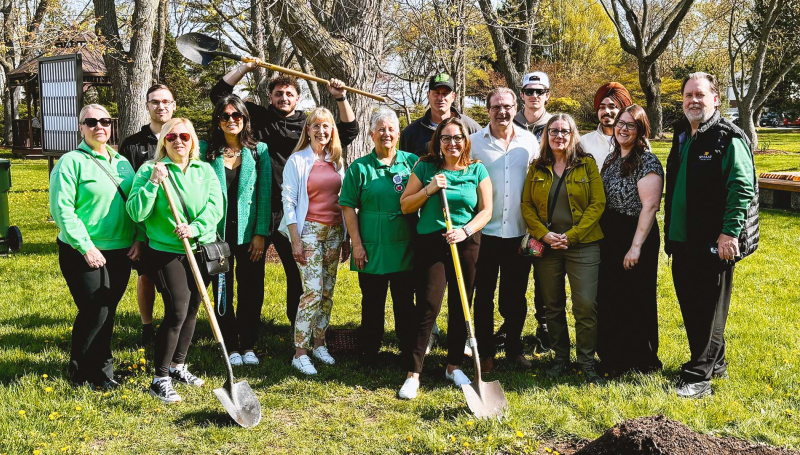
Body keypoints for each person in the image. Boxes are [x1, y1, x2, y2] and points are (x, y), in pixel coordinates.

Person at [212, 69, 359, 328]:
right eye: (278, 93)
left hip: (293, 212)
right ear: (269, 96)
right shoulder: (257, 117)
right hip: (258, 208)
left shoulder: (307, 124)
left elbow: (348, 131)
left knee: (297, 273)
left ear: (298, 98)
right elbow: (220, 95)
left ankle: (297, 325)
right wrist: (245, 68)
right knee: (252, 274)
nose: (283, 97)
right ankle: (247, 328)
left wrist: (340, 97)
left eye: (289, 94)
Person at [664, 72, 758, 398]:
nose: (693, 101)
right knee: (692, 306)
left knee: (708, 308)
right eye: (688, 95)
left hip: (713, 243)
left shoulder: (727, 137)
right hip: (682, 241)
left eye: (700, 95)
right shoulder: (682, 134)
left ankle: (698, 377)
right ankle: (714, 363)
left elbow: (741, 187)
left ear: (715, 99)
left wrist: (729, 233)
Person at [127, 118, 223, 403]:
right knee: (177, 311)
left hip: (199, 247)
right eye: (171, 137)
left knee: (194, 307)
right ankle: (160, 378)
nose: (178, 141)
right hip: (166, 251)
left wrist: (195, 228)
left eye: (184, 136)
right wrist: (154, 183)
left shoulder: (204, 170)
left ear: (192, 140)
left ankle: (178, 366)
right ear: (163, 142)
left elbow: (216, 207)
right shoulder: (150, 170)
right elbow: (136, 212)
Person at [396, 117, 492, 400]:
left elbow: (486, 211)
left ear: (466, 140)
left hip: (466, 240)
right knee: (428, 303)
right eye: (446, 138)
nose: (452, 143)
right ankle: (413, 373)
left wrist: (465, 231)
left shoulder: (477, 170)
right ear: (438, 142)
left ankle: (453, 365)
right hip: (432, 242)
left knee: (462, 303)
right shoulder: (425, 167)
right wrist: (429, 190)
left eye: (457, 137)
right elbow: (405, 206)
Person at [51, 104, 143, 390]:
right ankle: (81, 374)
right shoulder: (70, 162)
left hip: (121, 251)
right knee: (95, 311)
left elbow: (135, 203)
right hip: (83, 250)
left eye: (104, 121)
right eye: (91, 122)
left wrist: (138, 237)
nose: (98, 126)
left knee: (108, 310)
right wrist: (85, 246)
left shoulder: (122, 163)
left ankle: (103, 373)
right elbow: (62, 209)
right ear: (81, 127)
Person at [521, 113, 605, 384]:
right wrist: (545, 235)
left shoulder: (586, 165)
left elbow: (597, 204)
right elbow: (527, 206)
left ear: (573, 135)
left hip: (583, 245)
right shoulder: (537, 167)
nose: (559, 136)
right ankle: (560, 359)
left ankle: (586, 361)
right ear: (546, 136)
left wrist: (572, 235)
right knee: (552, 305)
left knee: (585, 305)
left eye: (564, 131)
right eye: (553, 131)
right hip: (548, 248)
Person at [340, 108, 418, 367]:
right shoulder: (359, 167)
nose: (386, 133)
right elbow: (348, 206)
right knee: (372, 303)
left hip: (405, 246)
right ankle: (369, 354)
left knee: (405, 305)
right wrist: (356, 244)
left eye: (391, 129)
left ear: (398, 133)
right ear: (371, 134)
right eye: (381, 129)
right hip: (371, 247)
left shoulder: (412, 163)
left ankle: (408, 354)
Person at [470, 87, 539, 373]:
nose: (502, 111)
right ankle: (485, 353)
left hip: (519, 234)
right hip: (483, 233)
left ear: (516, 107)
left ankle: (514, 348)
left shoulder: (529, 142)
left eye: (508, 106)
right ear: (487, 110)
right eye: (496, 106)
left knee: (515, 297)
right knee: (483, 296)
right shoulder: (473, 143)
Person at [200, 95, 271, 367]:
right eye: (225, 116)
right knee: (222, 292)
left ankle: (249, 345)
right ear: (218, 121)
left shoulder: (258, 151)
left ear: (245, 119)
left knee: (252, 291)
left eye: (237, 115)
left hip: (249, 236)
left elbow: (264, 195)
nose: (231, 120)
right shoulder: (207, 150)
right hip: (217, 236)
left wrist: (261, 233)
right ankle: (229, 346)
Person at [280, 107, 351, 375]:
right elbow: (289, 202)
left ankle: (320, 343)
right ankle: (300, 352)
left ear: (332, 130)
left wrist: (345, 236)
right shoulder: (297, 161)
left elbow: (343, 200)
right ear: (307, 130)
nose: (322, 131)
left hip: (334, 232)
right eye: (316, 126)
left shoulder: (337, 160)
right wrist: (295, 240)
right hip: (308, 230)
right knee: (312, 291)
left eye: (326, 126)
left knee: (327, 291)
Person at [596, 104, 664, 376]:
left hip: (637, 234)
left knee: (635, 298)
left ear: (640, 130)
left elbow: (650, 207)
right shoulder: (612, 158)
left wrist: (635, 248)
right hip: (611, 233)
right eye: (620, 123)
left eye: (630, 125)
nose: (623, 129)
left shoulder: (647, 161)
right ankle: (613, 357)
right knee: (611, 297)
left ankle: (641, 360)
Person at [119, 84, 177, 345]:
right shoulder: (132, 145)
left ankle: (174, 325)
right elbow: (127, 194)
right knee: (145, 277)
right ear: (147, 106)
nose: (161, 106)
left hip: (173, 226)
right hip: (144, 226)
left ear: (174, 105)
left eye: (166, 101)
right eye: (155, 102)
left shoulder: (183, 137)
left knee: (174, 283)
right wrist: (138, 235)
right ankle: (147, 327)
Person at [399, 73, 480, 157]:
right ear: (428, 95)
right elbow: (404, 166)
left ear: (453, 97)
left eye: (445, 94)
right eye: (436, 93)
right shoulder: (411, 132)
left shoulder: (470, 128)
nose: (441, 98)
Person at [579, 82, 633, 166]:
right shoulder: (584, 142)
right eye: (602, 107)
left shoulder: (636, 142)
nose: (606, 111)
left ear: (623, 110)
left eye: (612, 107)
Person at [514, 72, 553, 141]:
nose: (534, 96)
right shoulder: (510, 125)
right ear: (522, 95)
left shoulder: (554, 125)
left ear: (547, 95)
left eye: (540, 92)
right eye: (529, 92)